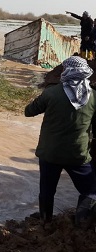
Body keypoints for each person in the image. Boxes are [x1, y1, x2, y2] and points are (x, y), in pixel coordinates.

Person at [25, 56, 96, 227]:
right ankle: (81, 220)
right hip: (78, 154)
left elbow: (28, 112)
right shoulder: (93, 96)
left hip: (50, 153)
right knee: (91, 190)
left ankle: (45, 220)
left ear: (67, 71)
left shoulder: (51, 92)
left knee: (47, 191)